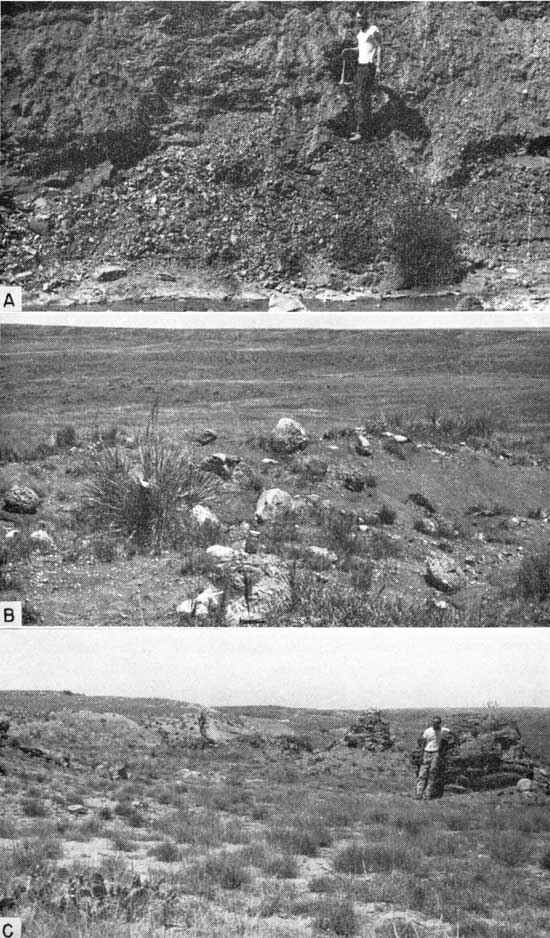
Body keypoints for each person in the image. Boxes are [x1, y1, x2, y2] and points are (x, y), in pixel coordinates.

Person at [349, 10, 382, 142]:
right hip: (360, 67)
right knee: (361, 99)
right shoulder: (360, 33)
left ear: (366, 18)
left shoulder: (373, 29)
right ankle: (363, 130)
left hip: (368, 67)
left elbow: (379, 47)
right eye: (357, 18)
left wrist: (379, 65)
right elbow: (361, 48)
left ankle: (362, 133)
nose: (359, 20)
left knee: (362, 98)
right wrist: (350, 50)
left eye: (361, 18)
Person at [415, 716, 456, 800]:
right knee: (422, 774)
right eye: (434, 722)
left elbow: (452, 733)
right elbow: (422, 742)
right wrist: (421, 753)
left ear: (439, 723)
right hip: (426, 752)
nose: (435, 724)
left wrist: (452, 743)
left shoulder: (443, 730)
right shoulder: (428, 731)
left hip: (436, 753)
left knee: (432, 773)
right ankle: (419, 794)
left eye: (437, 722)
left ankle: (427, 794)